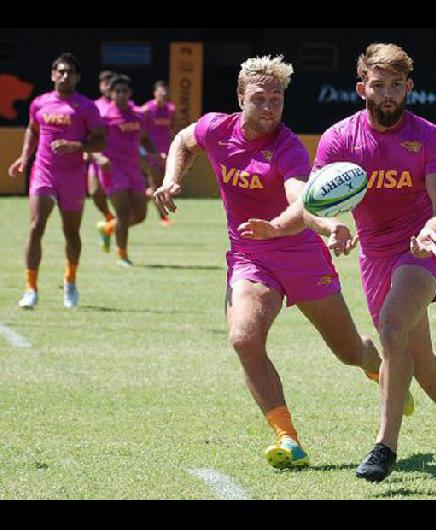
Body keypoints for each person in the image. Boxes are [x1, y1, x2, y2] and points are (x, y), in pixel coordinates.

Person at [153, 55, 413, 470]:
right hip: (250, 255)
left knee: (348, 352)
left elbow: (301, 196)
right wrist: (172, 179)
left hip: (301, 254)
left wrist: (326, 225)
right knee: (243, 337)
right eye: (260, 98)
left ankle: (376, 366)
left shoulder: (287, 146)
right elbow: (183, 142)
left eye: (277, 98)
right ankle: (288, 439)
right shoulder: (215, 128)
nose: (270, 107)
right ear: (240, 98)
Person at [310, 43, 436, 483]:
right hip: (375, 254)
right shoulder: (340, 138)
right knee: (419, 359)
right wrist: (330, 226)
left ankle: (384, 446)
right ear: (361, 88)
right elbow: (311, 201)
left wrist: (432, 232)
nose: (387, 94)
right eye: (378, 85)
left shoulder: (430, 136)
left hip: (423, 248)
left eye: (395, 86)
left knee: (390, 330)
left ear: (408, 87)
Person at [8, 53, 105, 309]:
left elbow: (100, 141)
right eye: (60, 71)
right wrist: (23, 157)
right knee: (35, 227)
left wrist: (76, 145)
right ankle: (30, 288)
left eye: (69, 72)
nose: (64, 76)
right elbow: (32, 128)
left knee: (71, 233)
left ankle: (70, 282)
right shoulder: (40, 103)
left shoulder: (86, 107)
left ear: (77, 77)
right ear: (52, 75)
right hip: (43, 172)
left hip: (72, 177)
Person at [93, 74, 157, 266]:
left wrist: (156, 154)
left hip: (133, 169)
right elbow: (91, 143)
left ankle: (107, 228)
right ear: (111, 94)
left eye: (124, 91)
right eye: (117, 91)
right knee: (123, 211)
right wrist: (99, 157)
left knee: (140, 214)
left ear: (130, 93)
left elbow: (145, 138)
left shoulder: (138, 114)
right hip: (112, 169)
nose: (121, 94)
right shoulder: (104, 116)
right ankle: (122, 255)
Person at [87, 69, 117, 241]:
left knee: (133, 199)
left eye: (109, 82)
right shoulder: (93, 106)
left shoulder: (123, 106)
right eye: (103, 82)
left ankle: (113, 226)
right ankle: (109, 219)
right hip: (98, 156)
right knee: (95, 192)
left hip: (120, 159)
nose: (106, 86)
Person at [140, 80, 175, 226]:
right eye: (160, 92)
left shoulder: (171, 109)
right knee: (155, 185)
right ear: (155, 93)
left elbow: (172, 129)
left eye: (165, 92)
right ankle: (163, 217)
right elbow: (141, 131)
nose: (162, 95)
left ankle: (136, 204)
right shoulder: (147, 109)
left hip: (165, 153)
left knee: (159, 186)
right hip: (151, 153)